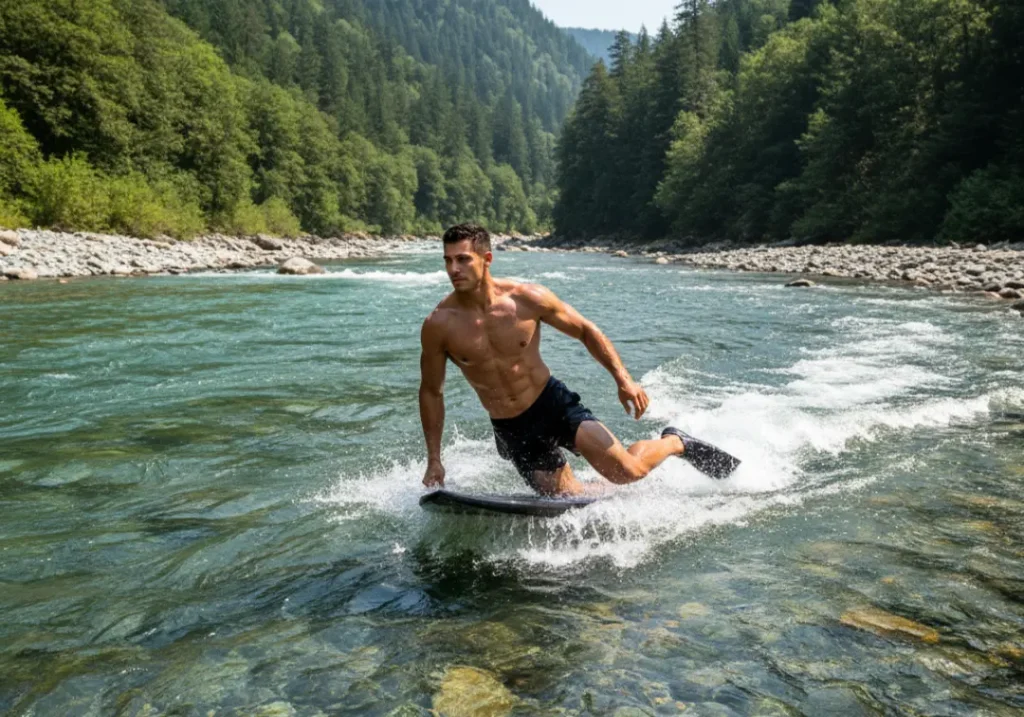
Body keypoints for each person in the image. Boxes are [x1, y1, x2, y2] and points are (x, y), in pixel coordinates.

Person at [418, 224, 739, 497]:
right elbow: (432, 392)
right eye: (447, 260)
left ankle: (674, 441)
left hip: (553, 405)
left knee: (628, 471)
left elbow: (585, 330)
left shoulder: (527, 299)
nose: (453, 270)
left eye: (463, 259)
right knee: (570, 498)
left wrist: (623, 379)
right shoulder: (439, 325)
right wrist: (435, 458)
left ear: (486, 259)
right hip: (510, 427)